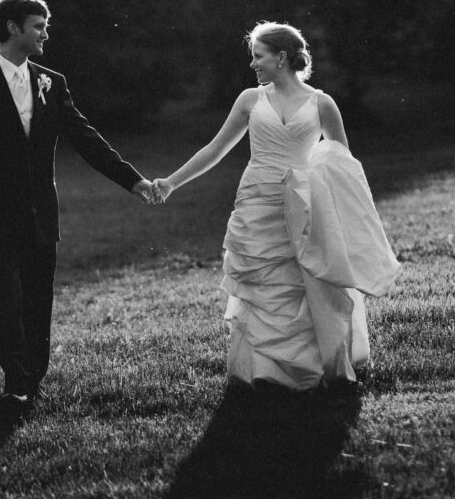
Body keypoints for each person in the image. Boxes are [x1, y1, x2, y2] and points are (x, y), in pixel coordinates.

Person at [152, 22, 400, 391]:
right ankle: (264, 370)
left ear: (281, 57)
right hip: (258, 200)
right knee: (264, 283)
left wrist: (338, 210)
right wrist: (171, 182)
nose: (253, 64)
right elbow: (215, 149)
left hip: (304, 203)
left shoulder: (322, 103)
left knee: (311, 281)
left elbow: (341, 162)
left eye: (258, 56)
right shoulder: (250, 100)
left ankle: (318, 364)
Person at [0, 0, 157, 410]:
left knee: (38, 304)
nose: (46, 33)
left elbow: (86, 139)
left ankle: (31, 382)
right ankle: (17, 380)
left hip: (42, 213)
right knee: (6, 305)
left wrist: (133, 181)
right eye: (38, 26)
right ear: (12, 28)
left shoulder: (52, 82)